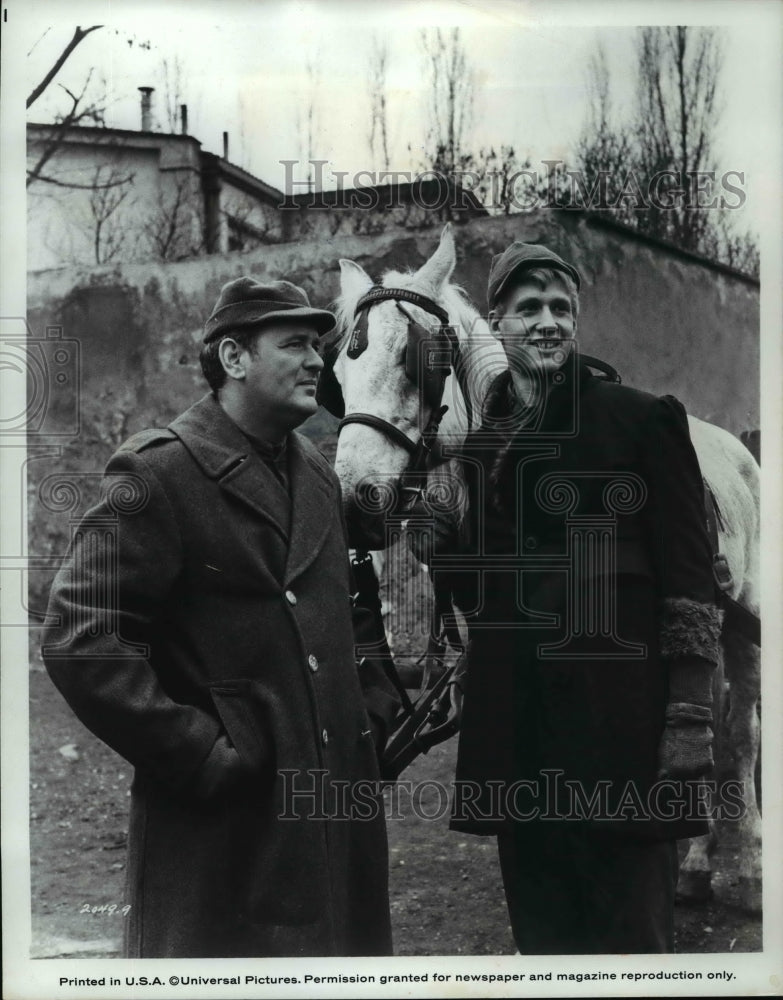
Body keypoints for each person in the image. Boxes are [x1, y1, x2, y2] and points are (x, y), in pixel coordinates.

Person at [42, 277, 399, 958]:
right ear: (233, 358)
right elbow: (79, 636)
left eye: (317, 346)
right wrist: (199, 751)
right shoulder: (161, 471)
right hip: (223, 833)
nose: (317, 361)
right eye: (293, 344)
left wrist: (372, 710)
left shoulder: (318, 475)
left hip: (332, 826)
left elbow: (349, 605)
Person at [436, 243, 722, 954]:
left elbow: (690, 586)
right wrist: (436, 536)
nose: (546, 323)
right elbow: (479, 596)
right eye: (528, 308)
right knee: (544, 944)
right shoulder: (479, 452)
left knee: (632, 945)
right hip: (517, 738)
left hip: (620, 738)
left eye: (561, 308)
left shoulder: (640, 420)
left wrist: (688, 716)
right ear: (496, 323)